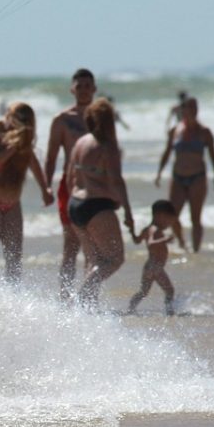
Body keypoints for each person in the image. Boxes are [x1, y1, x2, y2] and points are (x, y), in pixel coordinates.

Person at [0, 103, 54, 282]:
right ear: (8, 115)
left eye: (26, 122)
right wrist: (13, 146)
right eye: (19, 119)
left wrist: (44, 188)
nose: (21, 124)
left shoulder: (25, 137)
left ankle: (12, 304)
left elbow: (32, 160)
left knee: (14, 259)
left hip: (12, 204)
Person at [67, 98, 134, 308]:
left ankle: (87, 310)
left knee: (95, 261)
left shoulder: (81, 142)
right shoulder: (107, 146)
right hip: (97, 206)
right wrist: (128, 213)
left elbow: (71, 178)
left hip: (75, 205)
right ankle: (80, 299)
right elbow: (117, 180)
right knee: (115, 259)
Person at [44, 68, 98, 300]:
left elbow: (111, 153)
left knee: (94, 247)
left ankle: (89, 298)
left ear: (94, 89)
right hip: (71, 188)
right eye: (80, 85)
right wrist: (46, 186)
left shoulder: (102, 118)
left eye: (88, 85)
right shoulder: (62, 120)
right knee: (71, 245)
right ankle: (65, 298)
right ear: (72, 89)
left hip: (97, 188)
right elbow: (51, 156)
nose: (84, 90)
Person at [155, 97, 214, 253]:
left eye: (194, 107)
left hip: (197, 177)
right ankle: (182, 242)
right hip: (178, 177)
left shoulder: (205, 132)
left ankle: (196, 251)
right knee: (172, 215)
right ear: (182, 110)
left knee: (195, 218)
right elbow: (166, 152)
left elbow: (212, 155)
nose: (192, 111)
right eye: (188, 108)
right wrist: (159, 173)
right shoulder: (175, 131)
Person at [126, 199, 186, 316]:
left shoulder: (147, 229)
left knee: (143, 292)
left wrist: (132, 229)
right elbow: (151, 243)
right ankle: (170, 312)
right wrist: (165, 239)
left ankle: (130, 310)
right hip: (156, 267)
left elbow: (137, 240)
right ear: (160, 216)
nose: (169, 224)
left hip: (149, 266)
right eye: (169, 221)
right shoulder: (155, 230)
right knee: (169, 290)